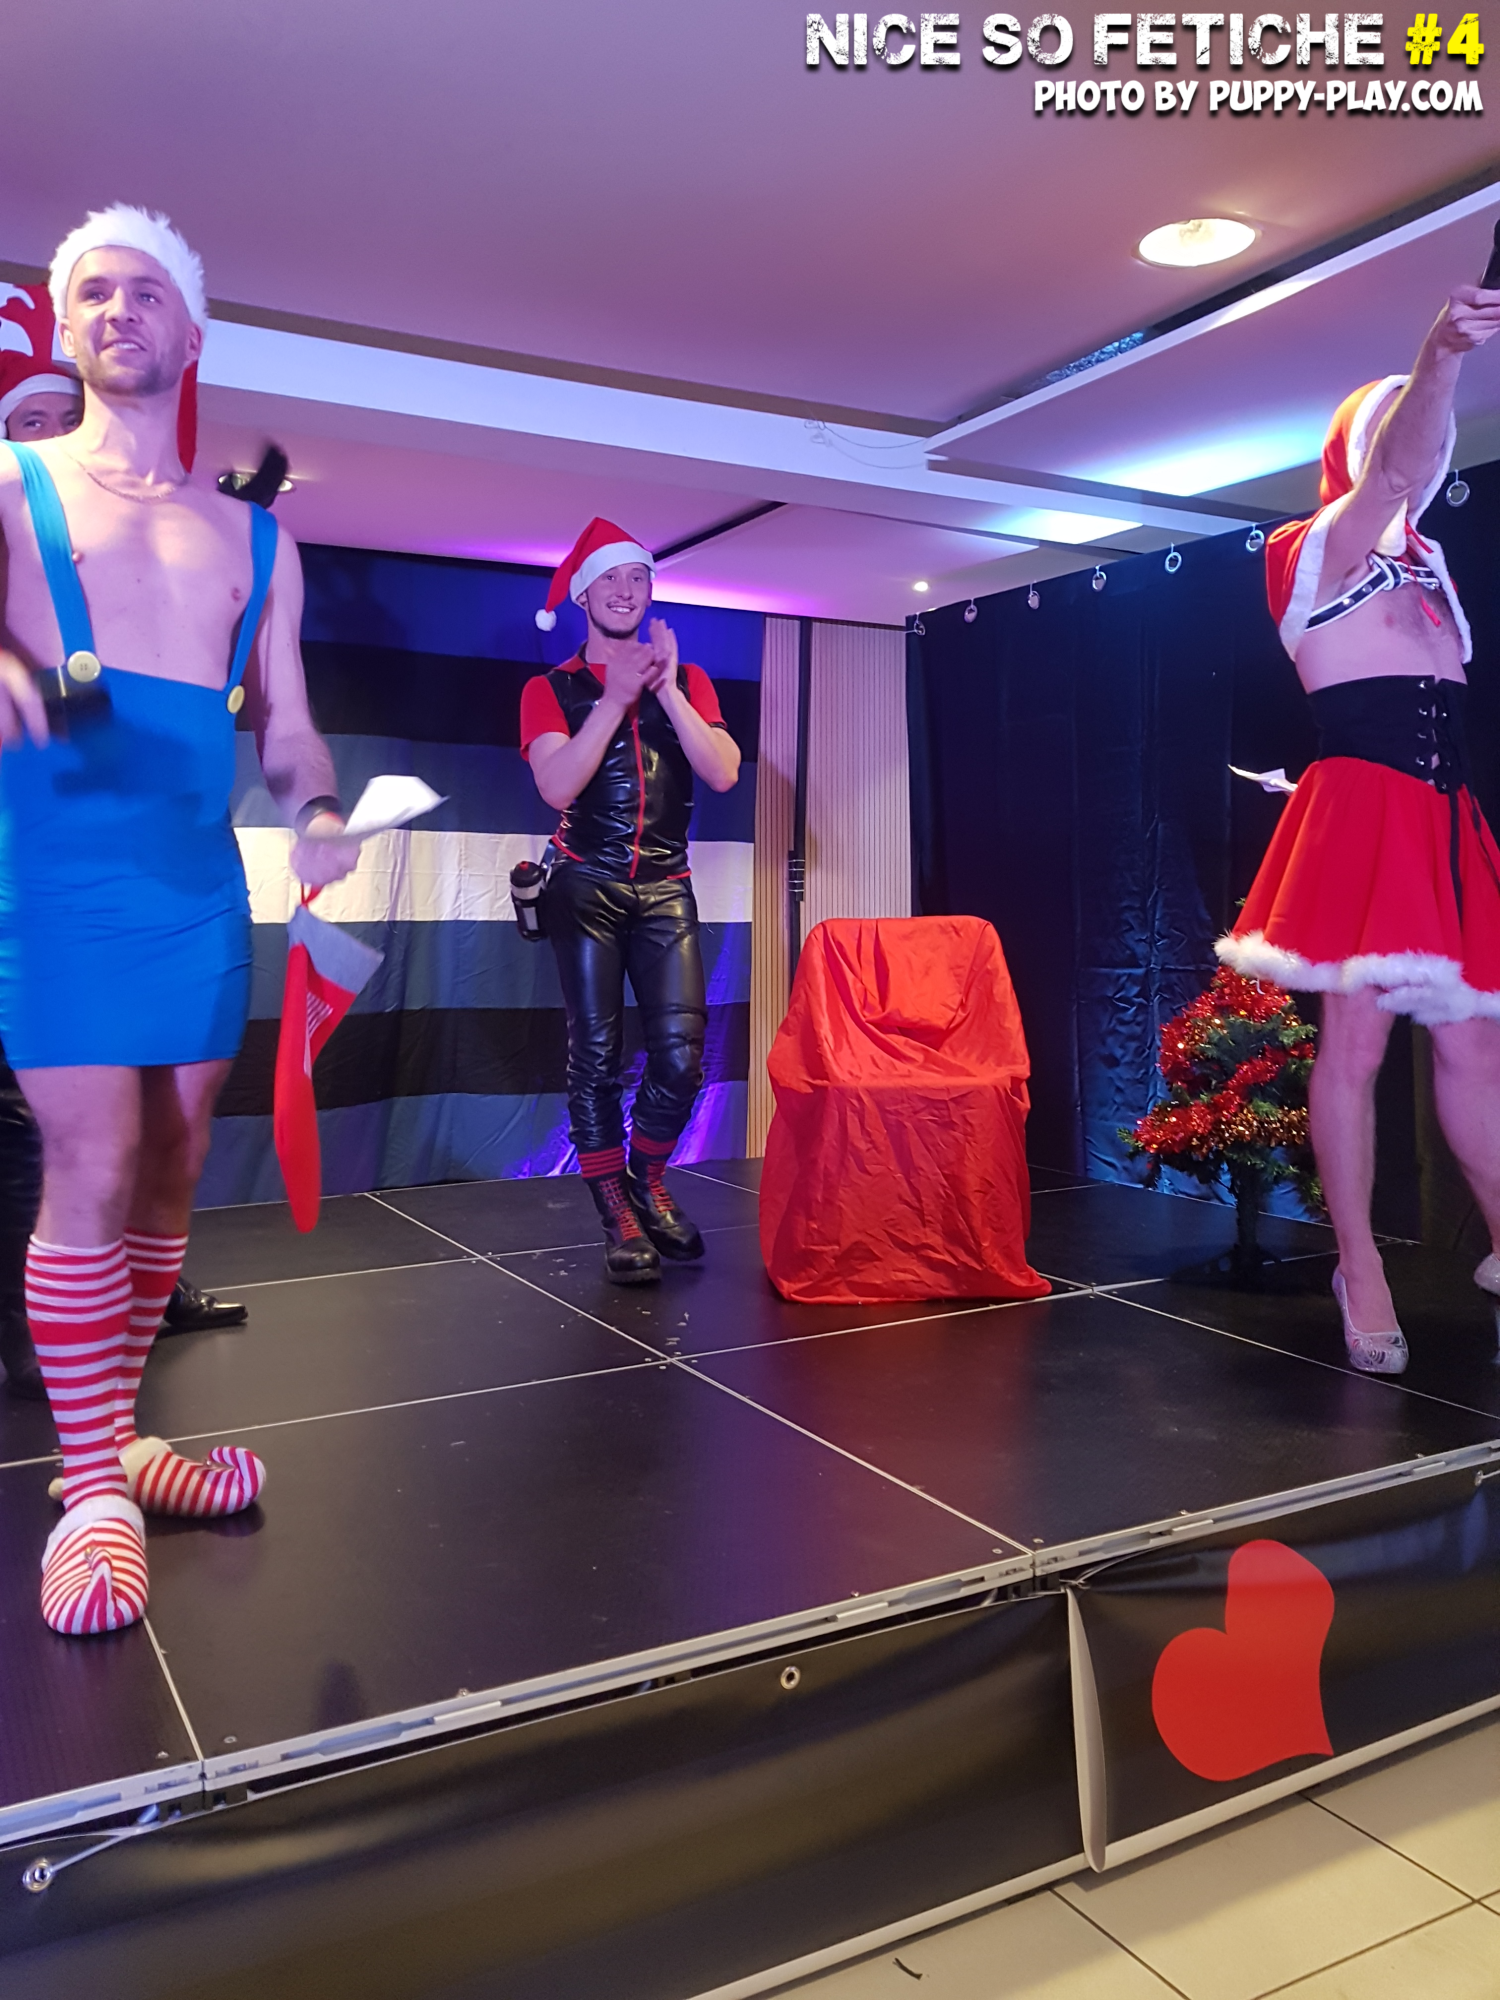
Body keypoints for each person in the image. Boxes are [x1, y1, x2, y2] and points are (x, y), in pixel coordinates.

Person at [0, 206, 360, 1635]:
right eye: (91, 289)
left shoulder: (258, 539)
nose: (117, 308)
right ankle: (92, 1487)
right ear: (65, 324)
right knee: (89, 1157)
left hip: (200, 886)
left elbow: (289, 728)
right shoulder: (10, 482)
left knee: (173, 1160)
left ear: (190, 332)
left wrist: (318, 810)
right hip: (58, 879)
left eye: (145, 291)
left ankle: (126, 1440)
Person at [1217, 279, 1500, 1374]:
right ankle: (1359, 1265)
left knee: (1474, 1045)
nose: (1419, 456)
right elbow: (1393, 471)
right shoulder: (1312, 546)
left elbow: (1409, 480)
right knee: (1359, 1043)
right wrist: (1443, 359)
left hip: (1446, 818)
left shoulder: (1429, 562)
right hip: (1365, 809)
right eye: (1392, 433)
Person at [0, 286, 244, 1406]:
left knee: (152, 1132)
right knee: (52, 1137)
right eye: (30, 425)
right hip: (36, 885)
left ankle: (109, 1359)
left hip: (147, 882)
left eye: (67, 420)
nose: (57, 442)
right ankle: (42, 1353)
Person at [521, 519, 741, 1283]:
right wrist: (613, 700)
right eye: (610, 579)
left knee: (682, 1060)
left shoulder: (691, 679)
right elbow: (557, 785)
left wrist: (667, 690)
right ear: (584, 594)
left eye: (638, 578)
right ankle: (615, 1208)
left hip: (666, 886)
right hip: (586, 886)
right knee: (597, 1057)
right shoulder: (549, 689)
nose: (625, 590)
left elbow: (722, 772)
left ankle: (646, 1178)